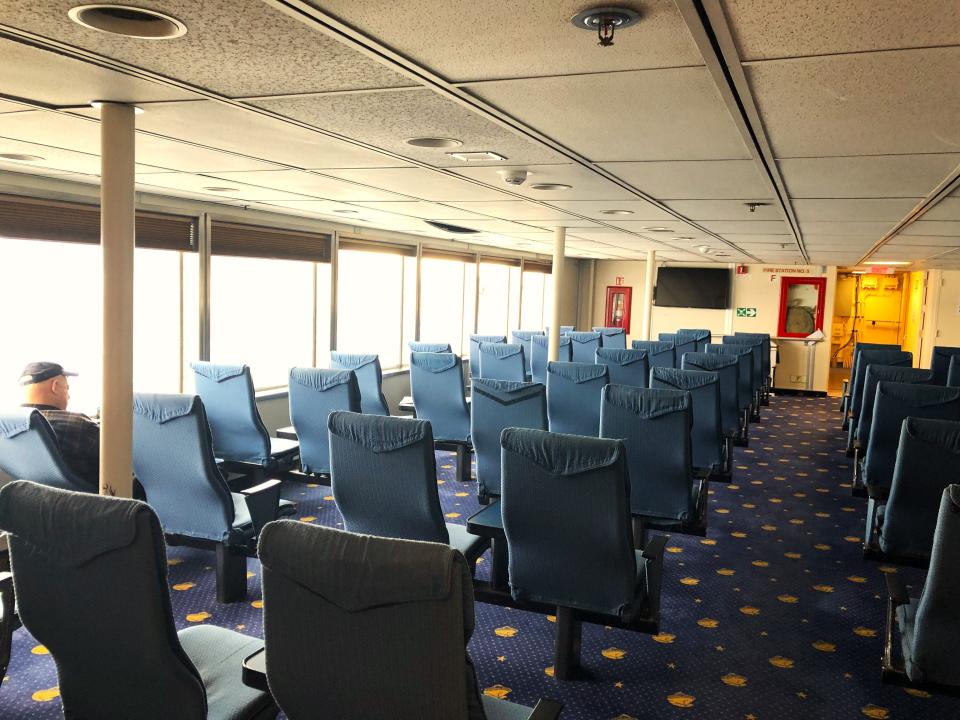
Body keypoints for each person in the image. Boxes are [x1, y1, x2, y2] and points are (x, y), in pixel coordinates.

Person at [19, 362, 100, 490]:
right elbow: (122, 453)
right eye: (67, 388)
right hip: (93, 503)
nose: (69, 395)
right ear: (55, 386)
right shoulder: (79, 426)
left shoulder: (11, 427)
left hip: (38, 501)